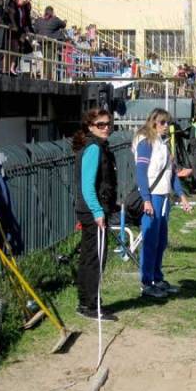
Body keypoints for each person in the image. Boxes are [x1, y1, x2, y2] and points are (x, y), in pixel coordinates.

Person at [133, 108, 192, 299]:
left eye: (168, 122)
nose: (166, 126)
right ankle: (146, 282)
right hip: (152, 196)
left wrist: (181, 196)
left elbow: (171, 172)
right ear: (153, 123)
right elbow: (141, 173)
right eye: (162, 122)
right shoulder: (146, 143)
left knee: (161, 240)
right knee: (150, 239)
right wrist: (146, 199)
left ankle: (157, 277)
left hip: (164, 196)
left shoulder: (163, 144)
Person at [72, 108, 119, 321]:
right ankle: (90, 305)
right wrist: (98, 211)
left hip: (92, 210)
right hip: (93, 211)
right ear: (90, 127)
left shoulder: (98, 146)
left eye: (108, 123)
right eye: (101, 125)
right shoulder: (93, 149)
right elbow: (87, 186)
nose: (106, 128)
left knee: (90, 257)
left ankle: (87, 302)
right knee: (94, 258)